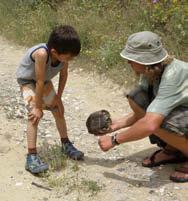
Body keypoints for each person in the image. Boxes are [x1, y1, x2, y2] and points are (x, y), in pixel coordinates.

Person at [98, 31, 188, 182]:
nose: (128, 62)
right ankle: (174, 150)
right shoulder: (151, 71)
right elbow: (146, 111)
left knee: (156, 123)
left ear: (146, 60)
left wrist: (114, 140)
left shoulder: (173, 75)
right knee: (137, 97)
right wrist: (116, 124)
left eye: (132, 59)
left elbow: (149, 123)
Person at [16, 25, 84, 174]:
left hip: (44, 81)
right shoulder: (41, 54)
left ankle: (65, 144)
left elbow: (63, 75)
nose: (70, 60)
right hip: (28, 81)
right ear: (55, 52)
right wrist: (38, 107)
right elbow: (38, 81)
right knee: (34, 116)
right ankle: (31, 157)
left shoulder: (63, 57)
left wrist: (58, 97)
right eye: (69, 57)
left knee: (58, 109)